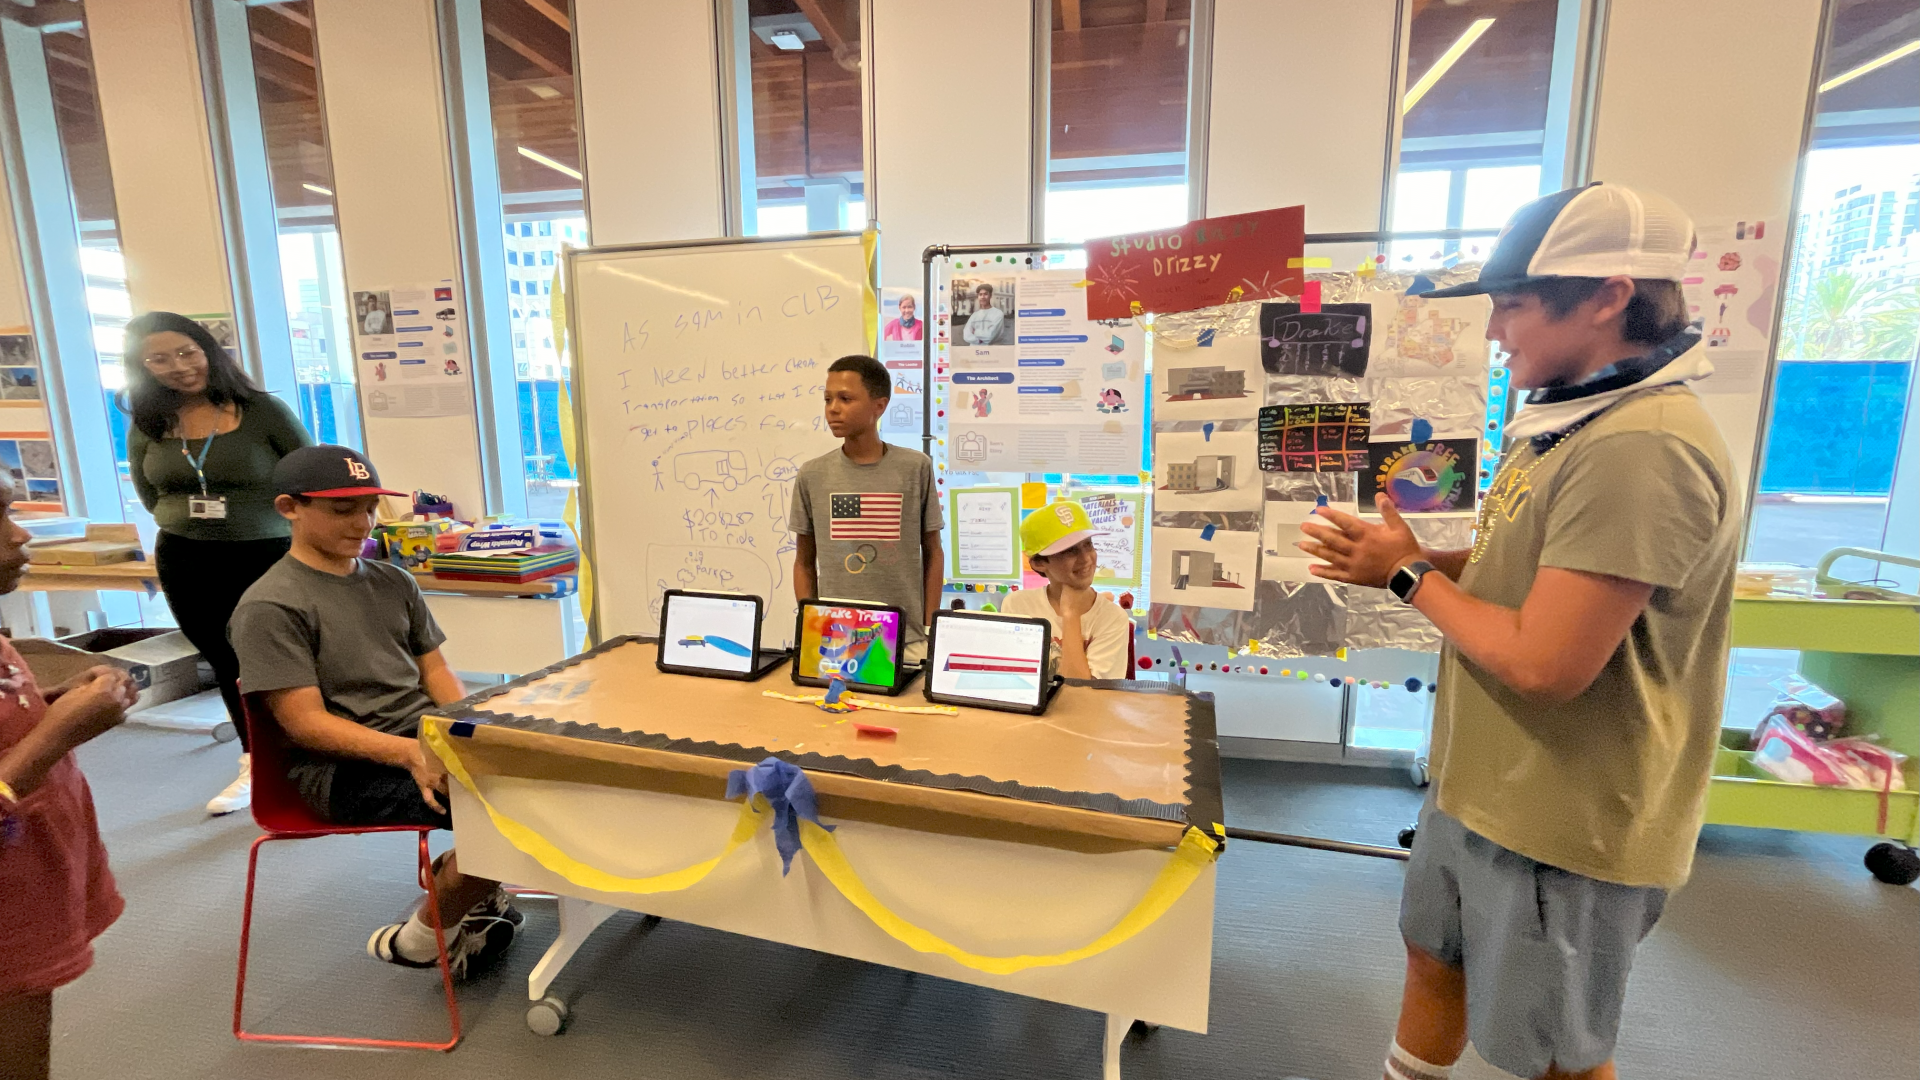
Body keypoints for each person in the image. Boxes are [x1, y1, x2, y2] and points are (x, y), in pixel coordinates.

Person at [1299, 182, 1737, 1080]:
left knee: (1552, 1053)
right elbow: (1531, 583)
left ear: (1611, 295)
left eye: (1515, 306)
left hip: (1562, 814)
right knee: (1436, 962)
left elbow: (1545, 662)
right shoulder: (1567, 423)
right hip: (1483, 783)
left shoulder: (1640, 445)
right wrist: (1424, 555)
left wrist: (1409, 576)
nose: (1498, 333)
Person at [230, 445, 520, 978]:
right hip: (337, 769)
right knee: (517, 812)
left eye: (369, 508)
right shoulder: (271, 606)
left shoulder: (394, 581)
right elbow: (305, 725)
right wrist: (413, 751)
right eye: (343, 511)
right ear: (289, 508)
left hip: (415, 738)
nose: (363, 523)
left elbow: (436, 673)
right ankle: (421, 937)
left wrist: (460, 729)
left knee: (546, 775)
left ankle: (462, 888)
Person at [123, 311, 313, 816]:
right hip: (187, 555)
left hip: (268, 553)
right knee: (226, 659)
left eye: (187, 352)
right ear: (143, 367)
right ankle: (256, 761)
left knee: (283, 656)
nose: (179, 367)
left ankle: (309, 750)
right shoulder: (150, 424)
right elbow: (150, 493)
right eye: (159, 359)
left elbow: (308, 476)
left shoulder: (263, 411)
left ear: (208, 350)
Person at [0, 474, 142, 1080]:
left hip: (29, 881)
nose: (21, 532)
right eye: (0, 517)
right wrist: (58, 733)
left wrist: (51, 702)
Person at [791, 355, 944, 663]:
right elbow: (805, 562)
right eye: (828, 399)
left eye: (846, 398)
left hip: (906, 637)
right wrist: (812, 626)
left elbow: (933, 552)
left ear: (879, 406)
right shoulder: (813, 474)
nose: (833, 408)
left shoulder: (915, 468)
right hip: (838, 636)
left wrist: (929, 626)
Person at [1001, 500, 1132, 680]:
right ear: (1039, 563)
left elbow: (1083, 696)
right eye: (1069, 551)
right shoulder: (1017, 605)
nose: (1086, 558)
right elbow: (1011, 680)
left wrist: (1071, 615)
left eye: (1088, 544)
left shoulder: (1112, 618)